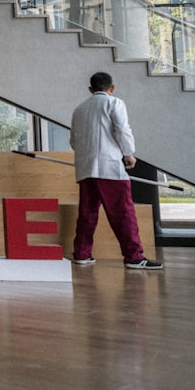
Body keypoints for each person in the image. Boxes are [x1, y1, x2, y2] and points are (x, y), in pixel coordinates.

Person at [70, 72, 162, 269]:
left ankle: (82, 254)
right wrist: (129, 153)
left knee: (87, 213)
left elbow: (73, 141)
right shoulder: (114, 103)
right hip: (109, 167)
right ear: (112, 88)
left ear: (90, 89)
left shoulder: (78, 110)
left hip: (85, 168)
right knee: (123, 212)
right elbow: (122, 129)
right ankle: (134, 257)